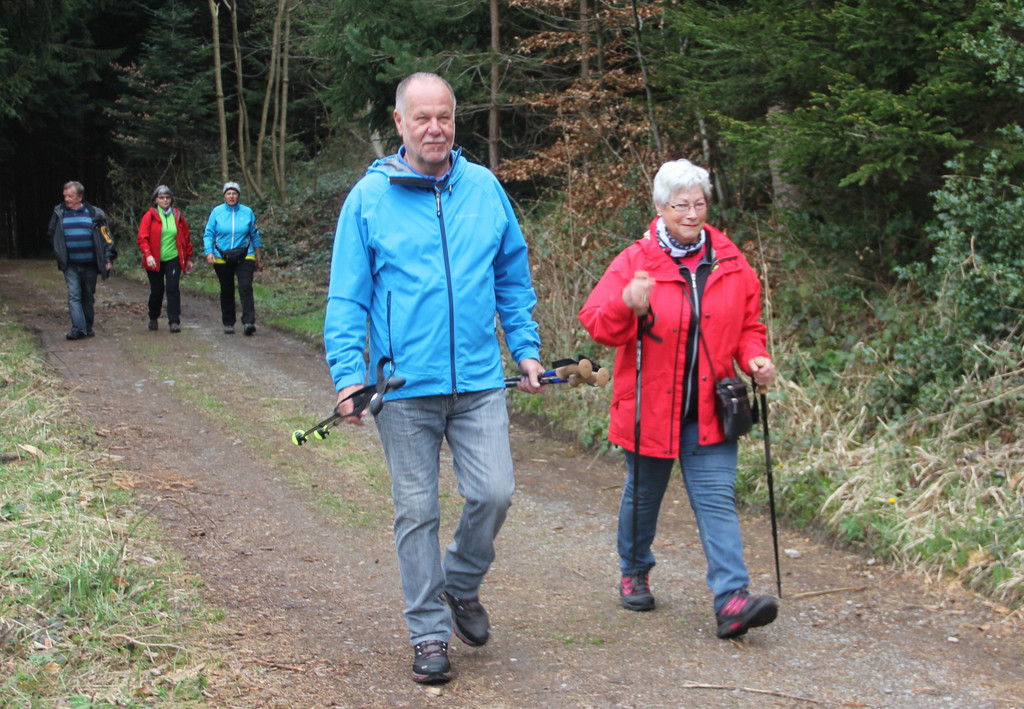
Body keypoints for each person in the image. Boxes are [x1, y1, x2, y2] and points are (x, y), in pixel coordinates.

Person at [325, 72, 546, 684]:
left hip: (478, 382)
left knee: (495, 492)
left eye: (444, 116)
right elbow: (347, 298)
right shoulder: (368, 200)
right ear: (399, 122)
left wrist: (525, 349)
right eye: (421, 117)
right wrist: (348, 377)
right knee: (417, 511)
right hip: (402, 391)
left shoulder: (484, 188)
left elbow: (511, 277)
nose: (434, 128)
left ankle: (461, 582)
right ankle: (427, 633)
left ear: (454, 119)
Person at [578, 158, 779, 640]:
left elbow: (748, 326)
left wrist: (755, 358)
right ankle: (634, 569)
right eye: (680, 205)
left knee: (717, 500)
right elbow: (597, 323)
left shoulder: (730, 260)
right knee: (644, 497)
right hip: (650, 409)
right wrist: (626, 303)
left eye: (699, 203)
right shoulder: (635, 261)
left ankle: (732, 599)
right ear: (660, 208)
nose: (692, 213)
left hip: (712, 409)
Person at [47, 180, 117, 340]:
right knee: (74, 295)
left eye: (70, 196)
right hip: (70, 264)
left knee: (88, 296)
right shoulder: (59, 213)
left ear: (80, 197)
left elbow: (107, 238)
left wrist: (108, 257)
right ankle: (78, 328)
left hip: (90, 264)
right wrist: (59, 251)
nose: (67, 199)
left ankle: (87, 327)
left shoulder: (95, 213)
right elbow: (52, 233)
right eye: (65, 196)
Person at [203, 181, 263, 335]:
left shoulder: (247, 212)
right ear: (224, 196)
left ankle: (249, 322)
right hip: (221, 255)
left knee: (245, 286)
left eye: (234, 193)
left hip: (245, 254)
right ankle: (228, 322)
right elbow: (209, 234)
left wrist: (258, 258)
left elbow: (254, 235)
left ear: (238, 195)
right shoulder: (217, 212)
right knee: (227, 289)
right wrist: (209, 252)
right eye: (228, 193)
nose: (231, 196)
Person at [137, 185, 193, 333]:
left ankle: (174, 321)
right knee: (157, 290)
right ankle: (153, 316)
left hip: (173, 258)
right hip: (154, 259)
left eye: (167, 197)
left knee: (172, 288)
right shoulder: (149, 216)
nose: (165, 200)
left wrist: (188, 257)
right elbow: (142, 238)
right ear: (156, 200)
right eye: (161, 198)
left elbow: (186, 238)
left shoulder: (178, 216)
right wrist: (148, 254)